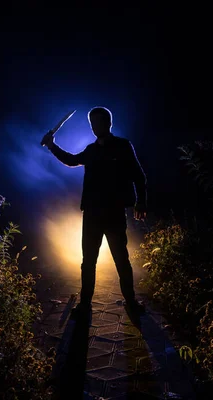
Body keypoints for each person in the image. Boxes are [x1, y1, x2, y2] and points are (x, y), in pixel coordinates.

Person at [41, 106, 147, 318]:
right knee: (88, 261)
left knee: (121, 259)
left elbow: (138, 175)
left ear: (109, 123)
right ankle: (85, 305)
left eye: (99, 122)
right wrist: (52, 146)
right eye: (93, 123)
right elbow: (72, 160)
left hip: (114, 212)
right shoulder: (91, 150)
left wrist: (141, 203)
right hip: (91, 214)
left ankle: (131, 301)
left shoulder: (123, 146)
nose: (95, 126)